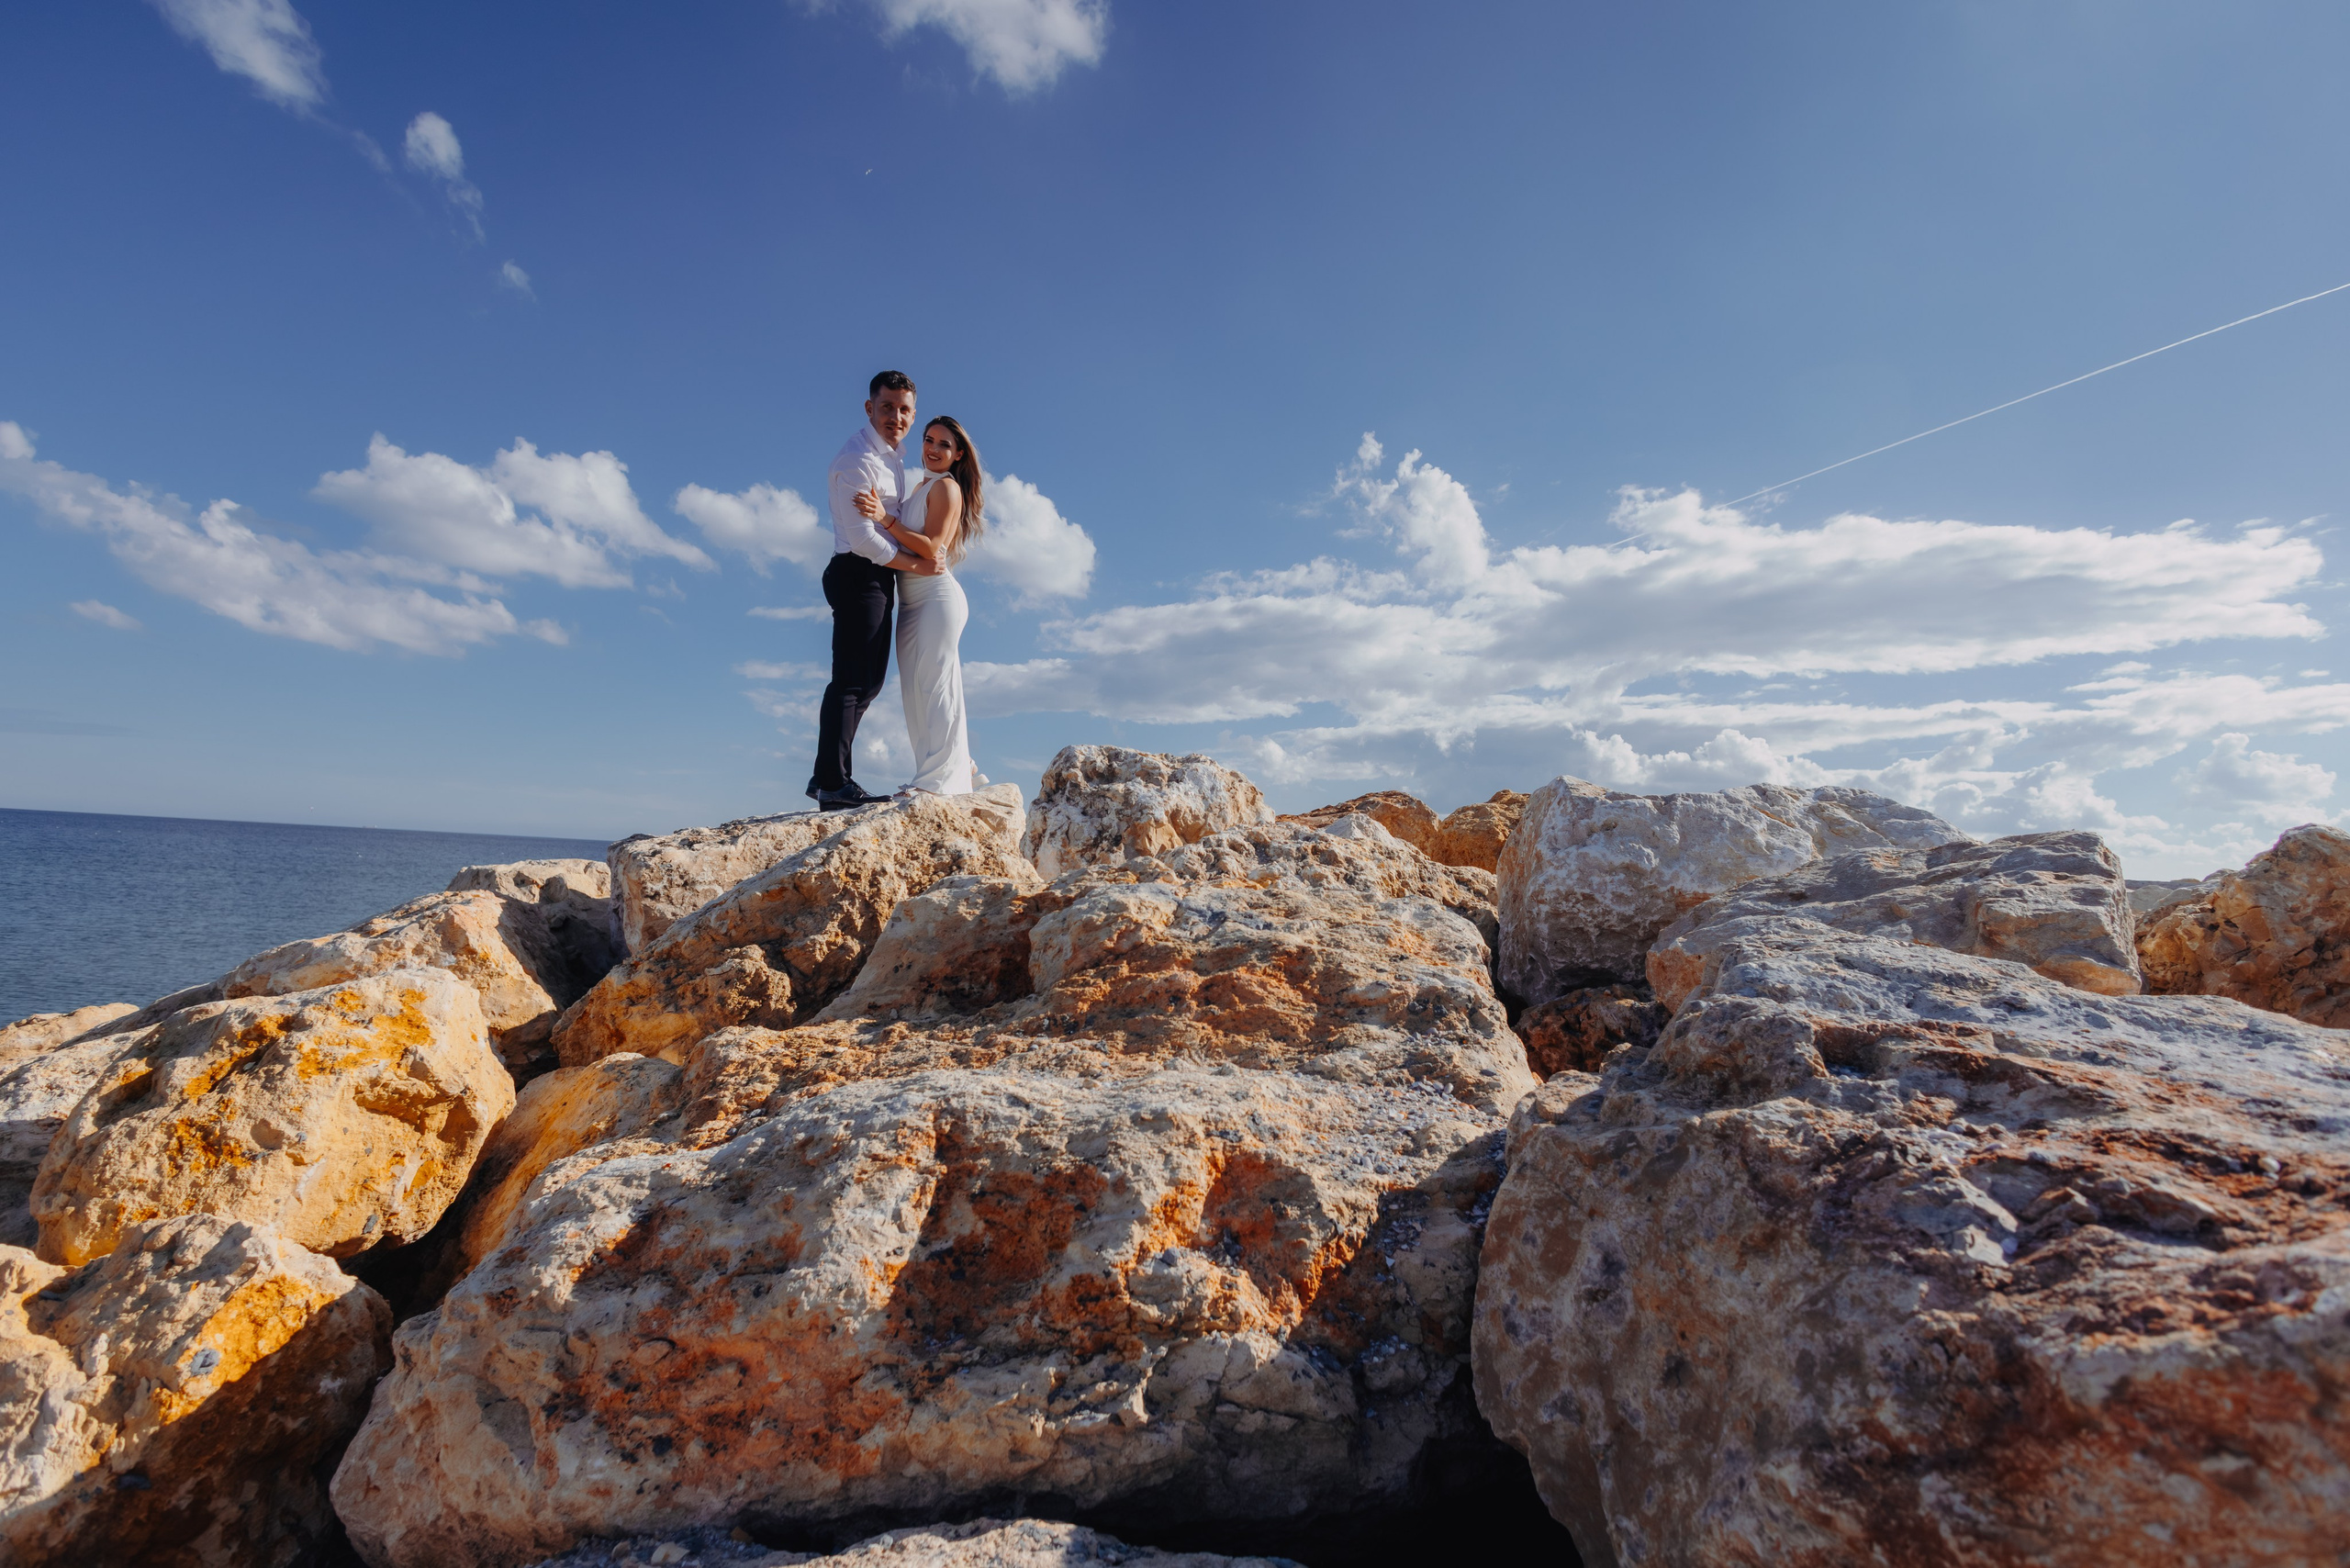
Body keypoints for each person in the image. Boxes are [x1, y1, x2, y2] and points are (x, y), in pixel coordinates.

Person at [808, 371, 938, 810]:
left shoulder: (895, 459)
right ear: (869, 408)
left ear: (913, 414)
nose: (895, 417)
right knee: (851, 683)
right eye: (887, 407)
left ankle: (826, 775)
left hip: (876, 575)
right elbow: (863, 539)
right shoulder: (857, 460)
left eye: (904, 410)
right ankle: (832, 783)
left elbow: (891, 525)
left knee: (868, 683)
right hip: (856, 571)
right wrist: (915, 563)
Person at [852, 415, 985, 794]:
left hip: (936, 598)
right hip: (911, 603)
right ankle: (958, 764)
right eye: (929, 440)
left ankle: (937, 782)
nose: (933, 449)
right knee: (915, 691)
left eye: (944, 444)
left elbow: (933, 548)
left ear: (958, 454)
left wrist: (884, 518)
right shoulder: (919, 488)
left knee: (936, 685)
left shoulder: (946, 489)